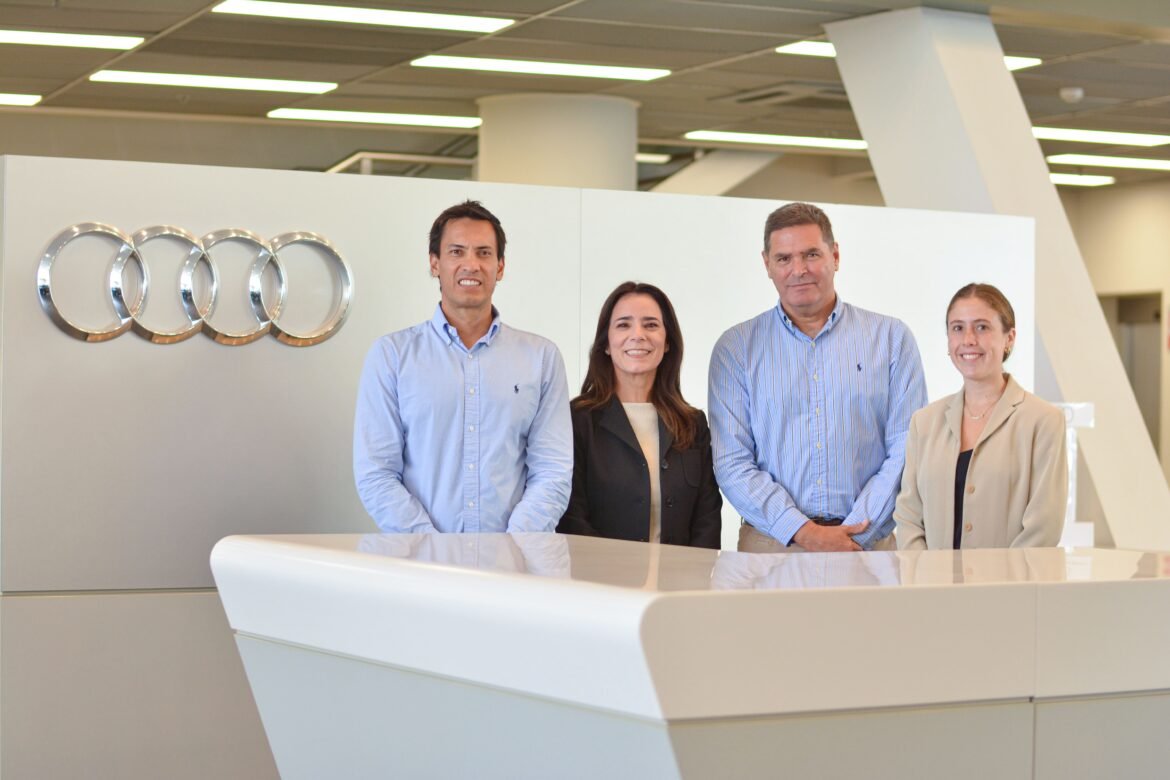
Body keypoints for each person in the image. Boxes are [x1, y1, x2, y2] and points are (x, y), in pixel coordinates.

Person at [708, 202, 927, 552]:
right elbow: (732, 462)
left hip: (866, 544)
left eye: (811, 254)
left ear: (835, 256)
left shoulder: (891, 339)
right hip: (772, 544)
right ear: (767, 264)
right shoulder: (736, 349)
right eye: (784, 258)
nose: (799, 270)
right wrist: (804, 532)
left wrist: (854, 534)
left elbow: (907, 448)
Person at [353, 200, 572, 533]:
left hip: (513, 557)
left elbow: (553, 470)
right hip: (418, 557)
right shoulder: (392, 356)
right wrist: (429, 546)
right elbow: (376, 472)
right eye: (457, 252)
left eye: (484, 253)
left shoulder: (541, 357)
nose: (471, 264)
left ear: (500, 267)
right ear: (434, 263)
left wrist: (512, 547)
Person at [895, 284, 1067, 549]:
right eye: (957, 328)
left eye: (982, 327)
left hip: (1011, 577)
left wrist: (997, 577)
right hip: (931, 576)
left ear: (1009, 338)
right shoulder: (924, 422)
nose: (968, 340)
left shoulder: (1043, 421)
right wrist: (924, 571)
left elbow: (1043, 528)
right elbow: (909, 518)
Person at [558, 282, 722, 548]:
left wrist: (695, 571)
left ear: (667, 342)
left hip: (680, 574)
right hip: (600, 572)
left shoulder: (692, 424)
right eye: (623, 325)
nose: (638, 335)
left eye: (651, 325)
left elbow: (707, 518)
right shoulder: (577, 420)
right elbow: (571, 517)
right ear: (606, 344)